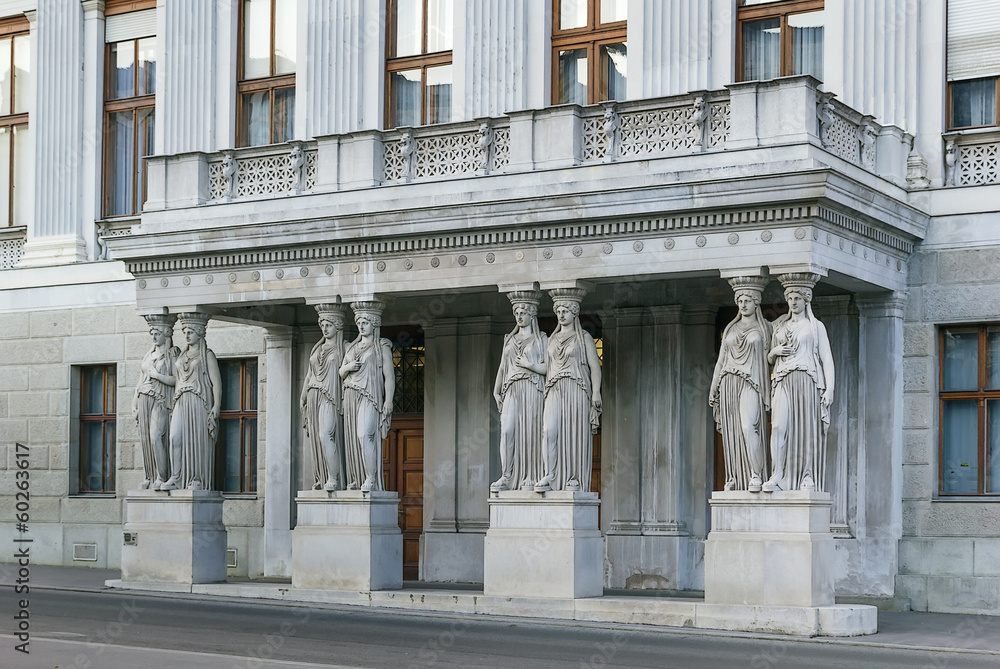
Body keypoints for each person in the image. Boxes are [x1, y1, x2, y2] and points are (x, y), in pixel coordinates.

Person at [763, 276, 836, 493]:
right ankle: (777, 474)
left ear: (806, 300)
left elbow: (826, 358)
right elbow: (768, 360)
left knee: (805, 429)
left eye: (797, 298)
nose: (793, 302)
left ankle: (807, 476)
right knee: (778, 427)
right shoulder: (780, 326)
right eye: (790, 298)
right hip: (783, 379)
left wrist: (829, 388)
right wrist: (773, 353)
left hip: (807, 380)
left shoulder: (814, 326)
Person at [535, 288, 602, 493]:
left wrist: (597, 392)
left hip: (577, 389)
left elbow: (595, 367)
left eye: (565, 310)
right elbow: (547, 367)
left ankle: (574, 477)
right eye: (559, 311)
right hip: (555, 388)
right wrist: (525, 365)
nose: (561, 314)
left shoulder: (584, 338)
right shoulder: (552, 340)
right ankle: (550, 474)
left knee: (574, 433)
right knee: (549, 430)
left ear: (574, 312)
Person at [710, 277, 772, 492]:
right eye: (740, 301)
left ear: (756, 302)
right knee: (731, 433)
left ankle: (757, 473)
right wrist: (713, 385)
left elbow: (772, 356)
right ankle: (734, 476)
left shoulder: (766, 328)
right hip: (728, 382)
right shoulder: (730, 328)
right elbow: (721, 360)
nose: (743, 304)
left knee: (748, 427)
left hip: (751, 383)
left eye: (747, 300)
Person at [491, 291, 548, 492]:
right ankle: (507, 474)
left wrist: (528, 364)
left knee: (530, 432)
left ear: (532, 314)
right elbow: (502, 366)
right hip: (511, 388)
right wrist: (496, 390)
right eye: (517, 313)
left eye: (523, 312)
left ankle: (531, 476)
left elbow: (547, 368)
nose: (519, 316)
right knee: (507, 431)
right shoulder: (509, 339)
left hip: (532, 387)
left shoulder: (541, 339)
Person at [340, 302, 395, 493]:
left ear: (374, 324)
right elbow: (341, 371)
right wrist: (347, 368)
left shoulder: (381, 347)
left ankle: (371, 479)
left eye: (365, 322)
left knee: (365, 435)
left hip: (370, 397)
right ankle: (358, 477)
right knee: (354, 439)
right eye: (359, 323)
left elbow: (389, 376)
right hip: (351, 395)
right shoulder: (351, 348)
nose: (361, 326)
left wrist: (388, 400)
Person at [163, 313, 222, 491]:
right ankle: (176, 476)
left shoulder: (207, 356)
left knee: (196, 440)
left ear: (199, 333)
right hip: (181, 400)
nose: (187, 335)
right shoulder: (181, 356)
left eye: (190, 332)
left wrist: (216, 406)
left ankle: (197, 478)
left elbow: (216, 383)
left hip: (199, 401)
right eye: (185, 332)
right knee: (175, 437)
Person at [301, 305, 347, 491]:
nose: (325, 328)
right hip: (313, 396)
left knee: (326, 435)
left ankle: (334, 477)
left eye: (329, 324)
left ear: (337, 326)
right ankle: (321, 475)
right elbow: (308, 375)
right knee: (317, 440)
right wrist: (302, 397)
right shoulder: (317, 349)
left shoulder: (344, 348)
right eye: (323, 325)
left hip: (331, 397)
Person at [133, 315, 178, 491]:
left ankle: (162, 475)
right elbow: (140, 380)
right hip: (144, 397)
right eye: (152, 333)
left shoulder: (172, 355)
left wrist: (156, 375)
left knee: (155, 436)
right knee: (145, 439)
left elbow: (176, 380)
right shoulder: (148, 355)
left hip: (161, 399)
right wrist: (133, 403)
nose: (153, 336)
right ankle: (150, 476)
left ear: (166, 335)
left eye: (157, 333)